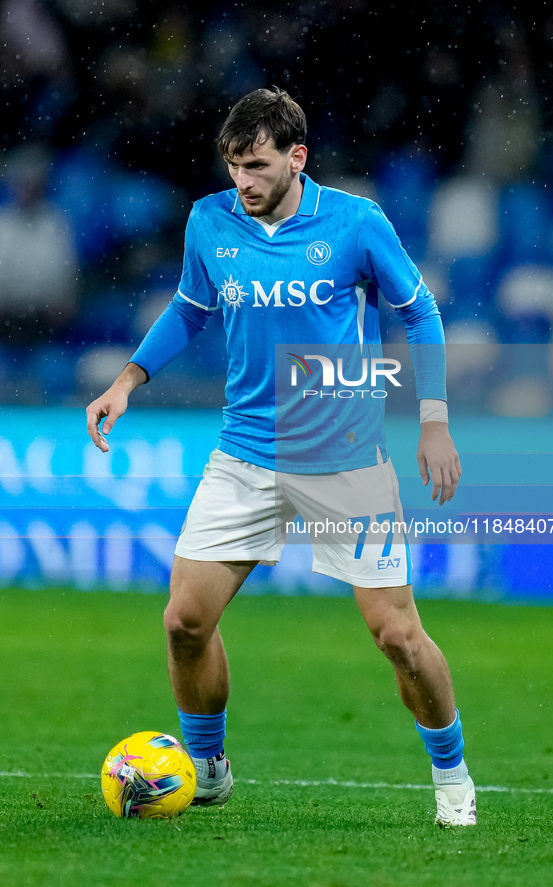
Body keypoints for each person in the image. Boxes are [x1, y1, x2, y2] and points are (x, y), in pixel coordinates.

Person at [86, 87, 476, 827]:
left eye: (258, 165)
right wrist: (126, 379)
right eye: (234, 166)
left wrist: (434, 420)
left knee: (396, 634)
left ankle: (451, 772)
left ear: (297, 157)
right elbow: (190, 308)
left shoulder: (356, 223)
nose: (244, 181)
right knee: (183, 621)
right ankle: (205, 767)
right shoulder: (210, 220)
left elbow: (417, 311)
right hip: (243, 453)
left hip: (345, 458)